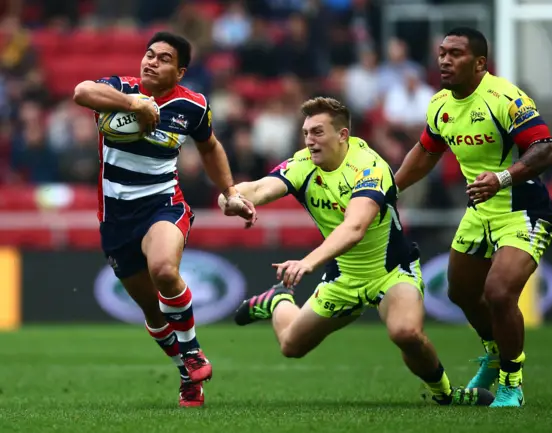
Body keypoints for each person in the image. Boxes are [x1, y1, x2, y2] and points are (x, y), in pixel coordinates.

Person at [218, 96, 493, 406]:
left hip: (390, 273)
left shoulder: (370, 167)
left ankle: (446, 394)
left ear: (343, 135)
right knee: (290, 346)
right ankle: (278, 300)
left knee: (406, 333)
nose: (310, 141)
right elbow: (256, 188)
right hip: (344, 278)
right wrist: (230, 199)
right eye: (306, 133)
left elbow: (355, 228)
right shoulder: (303, 164)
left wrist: (308, 262)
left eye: (318, 132)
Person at [73, 31, 257, 407]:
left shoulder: (193, 106)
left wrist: (231, 193)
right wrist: (134, 104)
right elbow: (80, 91)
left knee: (165, 270)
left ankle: (193, 352)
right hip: (116, 218)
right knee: (153, 313)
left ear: (181, 71)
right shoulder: (117, 88)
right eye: (149, 54)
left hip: (163, 205)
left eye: (163, 58)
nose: (151, 62)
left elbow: (210, 147)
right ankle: (187, 375)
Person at [394, 27, 552, 408]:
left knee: (499, 292)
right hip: (479, 211)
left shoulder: (505, 98)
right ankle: (494, 352)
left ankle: (511, 382)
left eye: (455, 54)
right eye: (442, 53)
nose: (444, 60)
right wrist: (388, 190)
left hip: (523, 210)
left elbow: (545, 150)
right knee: (461, 293)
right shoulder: (439, 104)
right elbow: (426, 152)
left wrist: (502, 177)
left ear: (480, 63)